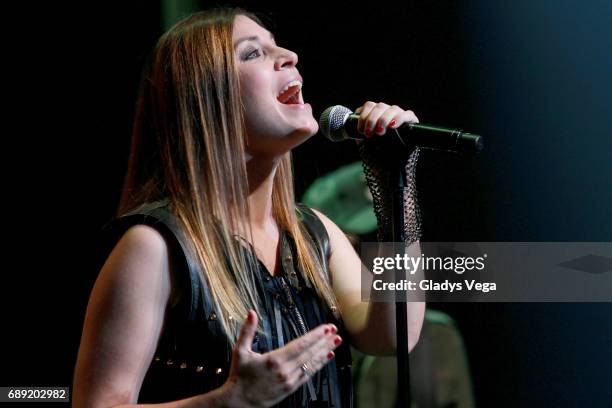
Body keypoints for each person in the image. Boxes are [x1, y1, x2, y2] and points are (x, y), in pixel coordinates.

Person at [73, 8, 425, 408]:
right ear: (205, 98)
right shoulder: (154, 246)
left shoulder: (313, 235)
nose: (289, 55)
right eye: (253, 53)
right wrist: (229, 401)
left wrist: (397, 190)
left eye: (278, 46)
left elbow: (396, 333)